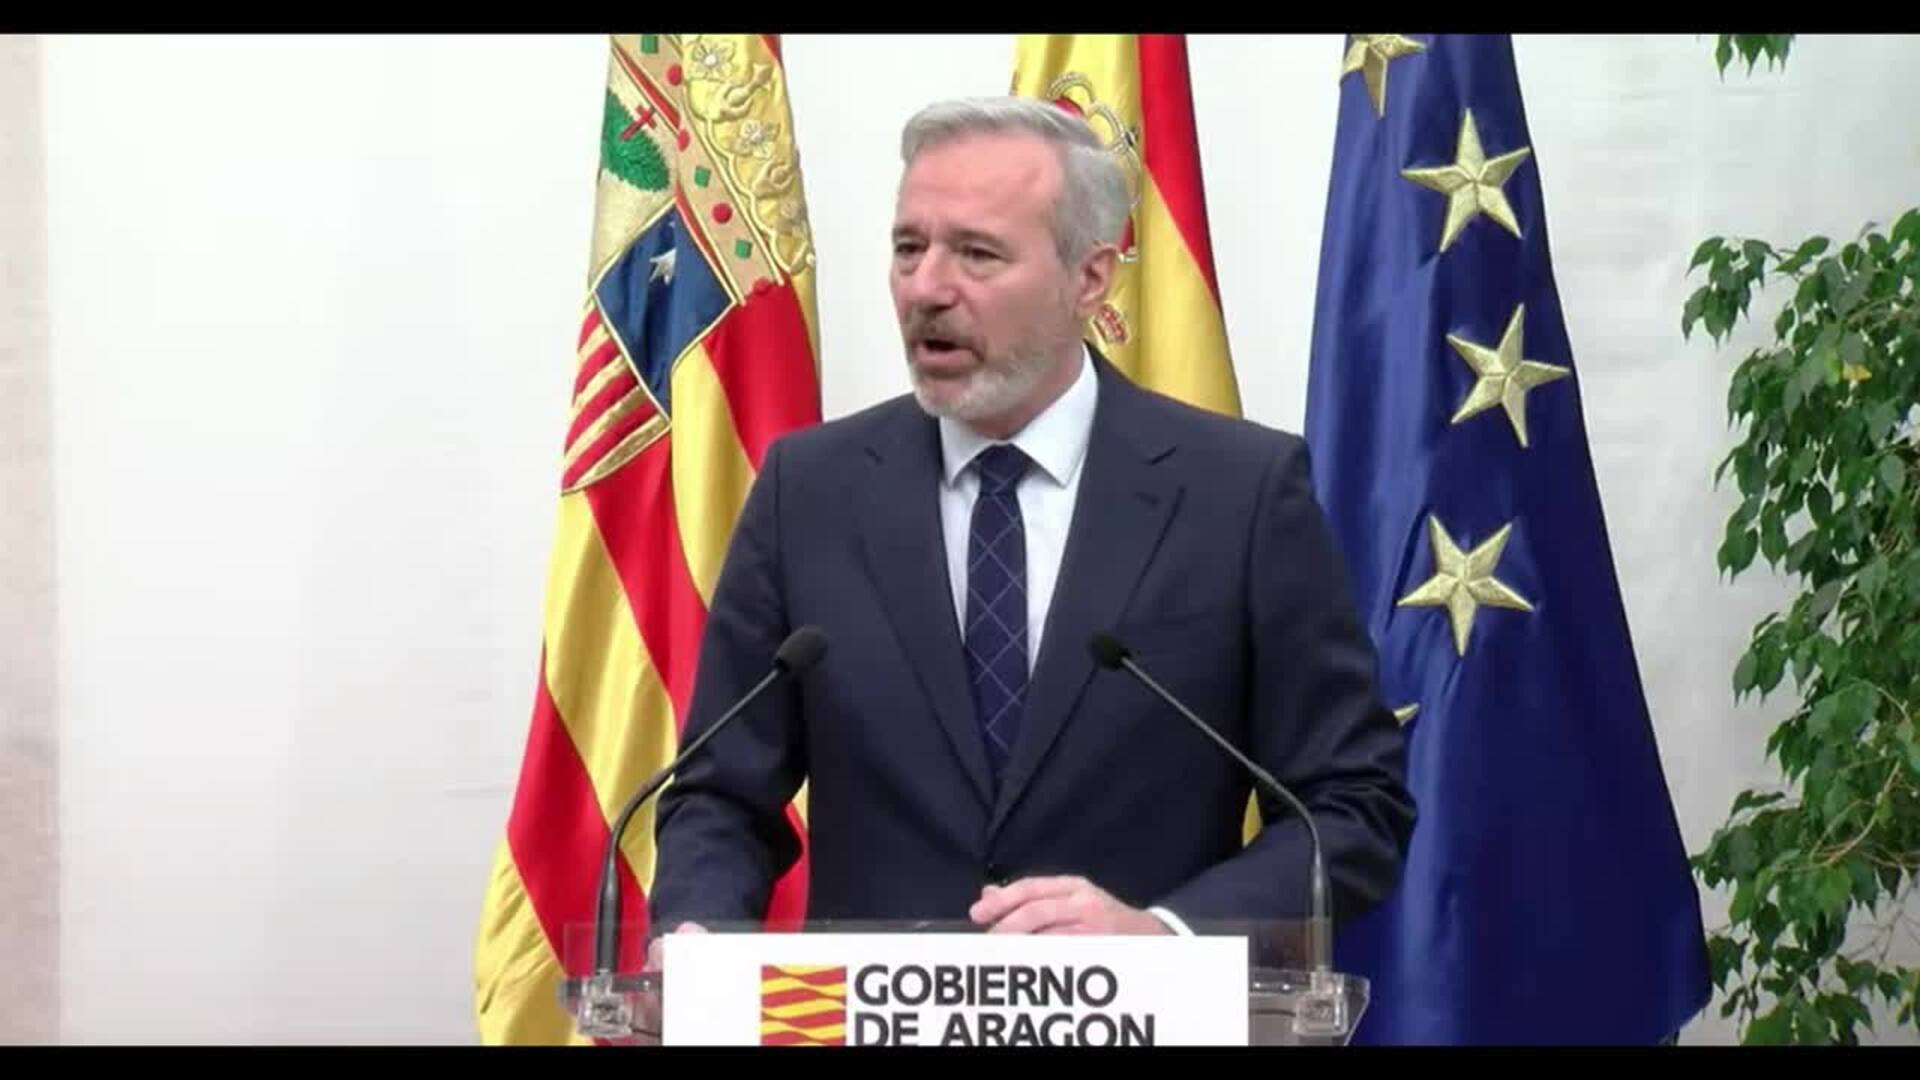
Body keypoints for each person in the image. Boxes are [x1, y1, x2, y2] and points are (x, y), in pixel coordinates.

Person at [644, 96, 1414, 954]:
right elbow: (721, 795)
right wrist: (696, 930)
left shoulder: (1238, 494)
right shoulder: (810, 491)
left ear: (1090, 278)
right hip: (869, 1011)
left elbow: (1352, 806)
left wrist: (1165, 934)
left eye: (977, 254)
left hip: (1136, 1013)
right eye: (909, 248)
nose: (928, 289)